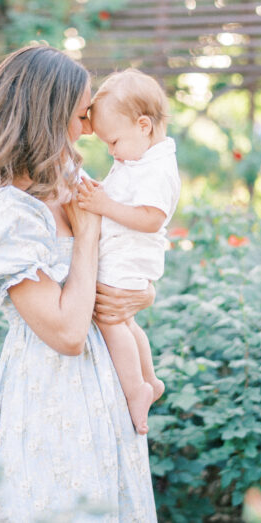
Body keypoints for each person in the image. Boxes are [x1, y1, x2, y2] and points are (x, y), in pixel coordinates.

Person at [0, 45, 157, 521]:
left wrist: (142, 293)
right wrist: (89, 233)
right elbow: (67, 334)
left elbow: (120, 265)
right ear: (46, 116)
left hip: (107, 387)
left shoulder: (70, 178)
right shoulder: (8, 212)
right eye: (81, 117)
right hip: (50, 391)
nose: (89, 130)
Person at [75, 69, 179, 435]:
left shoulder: (156, 170)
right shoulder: (136, 161)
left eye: (114, 141)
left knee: (110, 319)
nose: (110, 151)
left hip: (129, 259)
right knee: (126, 322)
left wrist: (103, 205)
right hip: (127, 258)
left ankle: (136, 389)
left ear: (144, 125)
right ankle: (149, 380)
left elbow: (151, 218)